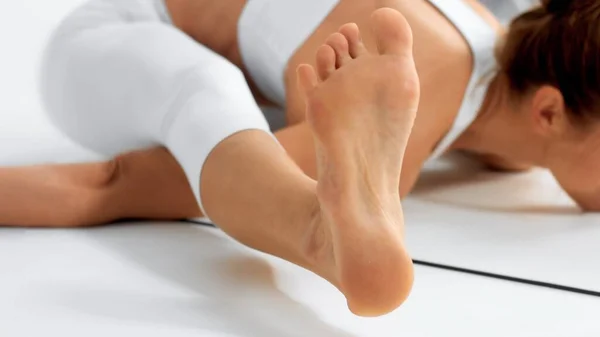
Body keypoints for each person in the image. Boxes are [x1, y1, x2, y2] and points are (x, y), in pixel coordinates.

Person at [1, 0, 599, 317]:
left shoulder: (506, 107)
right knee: (208, 96)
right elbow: (115, 182)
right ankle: (310, 225)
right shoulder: (429, 73)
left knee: (225, 103)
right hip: (108, 38)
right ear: (549, 111)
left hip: (242, 69)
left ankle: (328, 216)